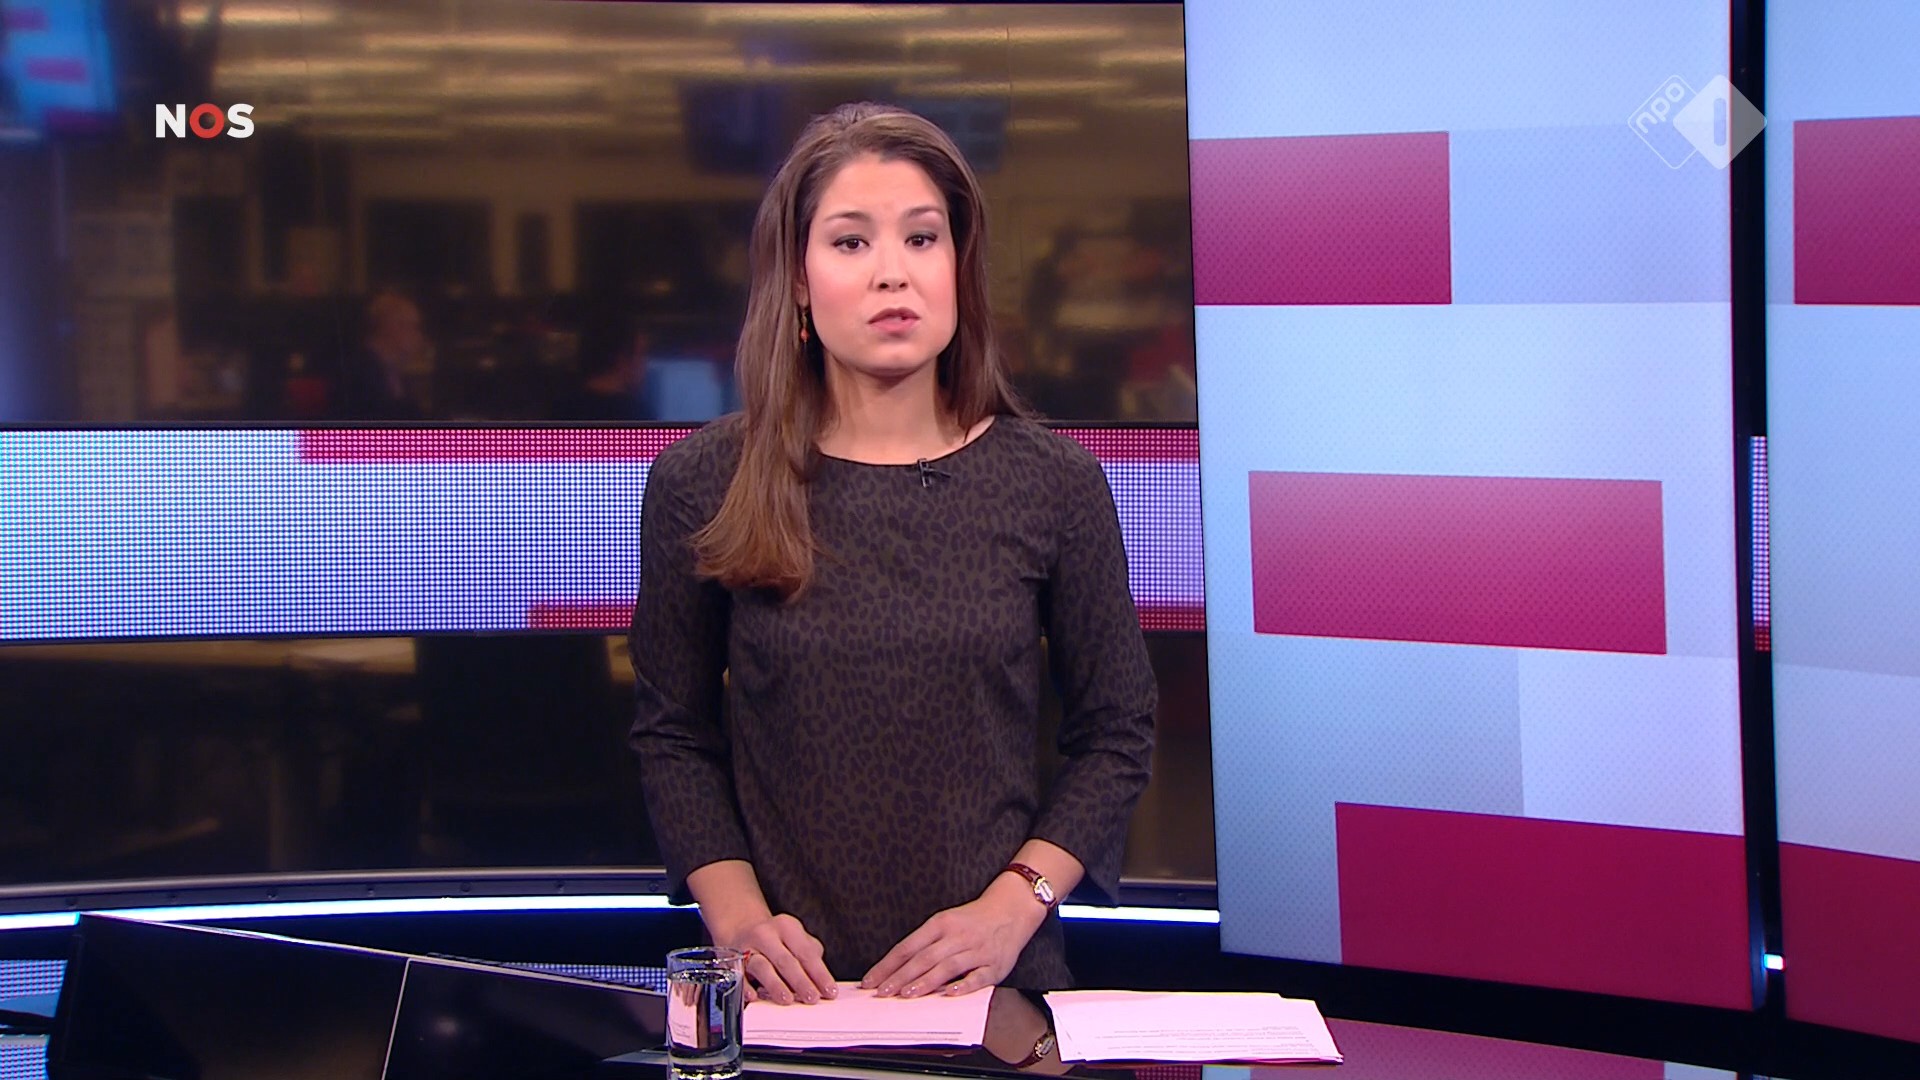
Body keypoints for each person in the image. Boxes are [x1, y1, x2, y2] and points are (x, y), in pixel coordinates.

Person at [627, 102, 1156, 1006]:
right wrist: (739, 922)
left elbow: (1116, 732)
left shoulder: (1054, 483)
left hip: (994, 994)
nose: (892, 273)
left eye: (922, 238)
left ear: (958, 265)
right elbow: (673, 733)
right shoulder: (705, 480)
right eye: (850, 242)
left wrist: (1011, 910)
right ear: (798, 280)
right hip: (789, 998)